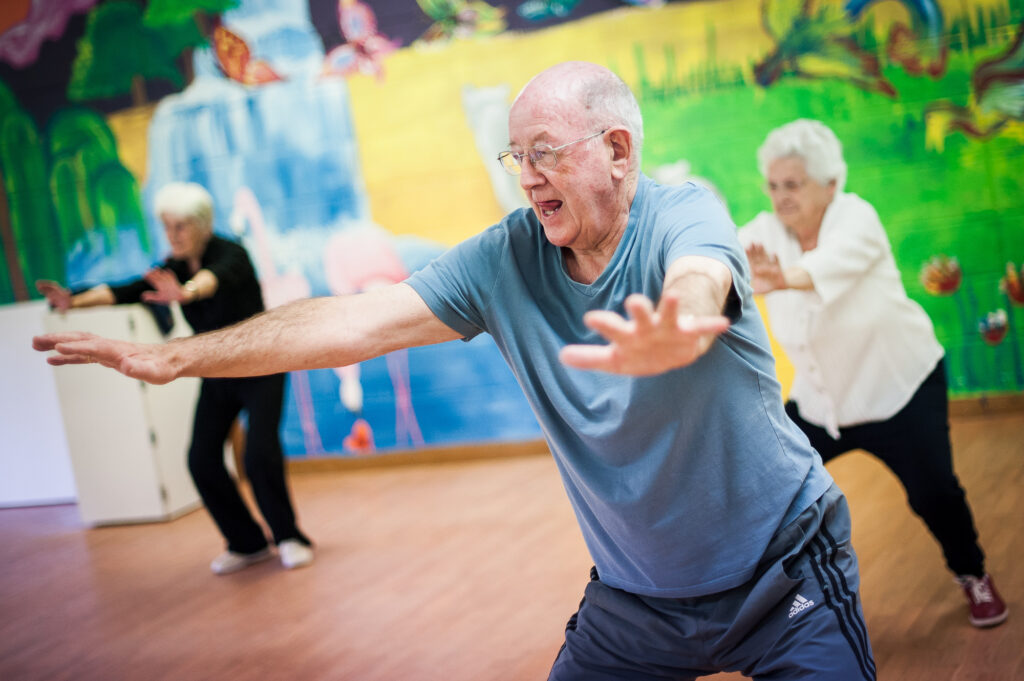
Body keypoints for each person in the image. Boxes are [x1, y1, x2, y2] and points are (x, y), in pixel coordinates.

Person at [36, 64, 876, 680]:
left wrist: (680, 328)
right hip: (638, 604)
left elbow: (701, 281)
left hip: (783, 575)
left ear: (617, 149)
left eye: (543, 152)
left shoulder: (683, 213)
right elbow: (350, 321)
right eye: (518, 158)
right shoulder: (507, 257)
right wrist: (177, 355)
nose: (528, 178)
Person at [738, 119, 1007, 629]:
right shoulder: (764, 232)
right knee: (772, 491)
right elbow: (724, 257)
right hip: (822, 402)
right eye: (773, 185)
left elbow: (825, 267)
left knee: (934, 494)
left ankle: (972, 573)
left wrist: (782, 277)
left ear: (829, 184)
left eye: (793, 185)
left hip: (899, 389)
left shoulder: (855, 216)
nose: (781, 197)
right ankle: (791, 600)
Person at [36, 182, 314, 576]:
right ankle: (247, 543)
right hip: (217, 371)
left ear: (202, 225)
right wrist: (72, 300)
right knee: (201, 459)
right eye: (167, 227)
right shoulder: (173, 267)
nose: (172, 235)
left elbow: (213, 280)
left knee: (259, 454)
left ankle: (290, 538)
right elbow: (122, 291)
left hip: (262, 365)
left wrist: (184, 293)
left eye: (180, 226)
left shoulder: (230, 253)